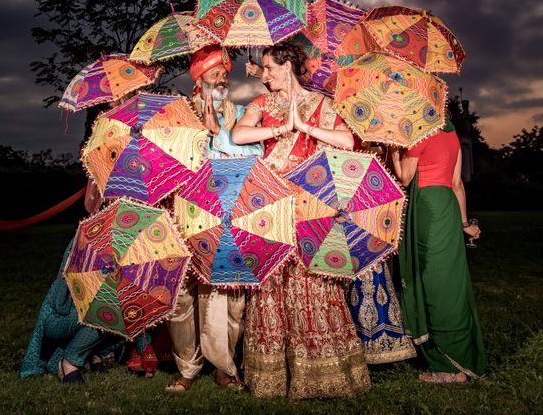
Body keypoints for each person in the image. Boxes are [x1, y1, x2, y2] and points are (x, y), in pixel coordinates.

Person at [231, 41, 371, 399]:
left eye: (269, 68)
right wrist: (280, 130)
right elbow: (239, 134)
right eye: (263, 68)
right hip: (273, 205)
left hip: (311, 204)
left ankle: (322, 375)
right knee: (273, 282)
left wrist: (305, 128)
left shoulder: (320, 104)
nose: (264, 74)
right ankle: (274, 378)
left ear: (288, 67)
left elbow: (347, 140)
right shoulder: (262, 104)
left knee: (314, 282)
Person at [165, 46, 258, 392]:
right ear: (198, 75)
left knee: (225, 293)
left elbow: (246, 152)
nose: (222, 77)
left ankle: (223, 367)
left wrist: (215, 131)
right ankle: (187, 367)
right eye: (215, 71)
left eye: (224, 71)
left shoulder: (238, 112)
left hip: (224, 210)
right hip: (184, 211)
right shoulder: (177, 114)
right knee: (183, 297)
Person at [391, 121, 486, 383]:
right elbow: (457, 183)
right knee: (449, 281)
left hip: (426, 210)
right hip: (447, 207)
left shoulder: (418, 130)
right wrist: (464, 224)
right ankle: (462, 357)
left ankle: (448, 367)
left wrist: (393, 151)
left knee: (432, 282)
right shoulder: (452, 132)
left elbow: (405, 176)